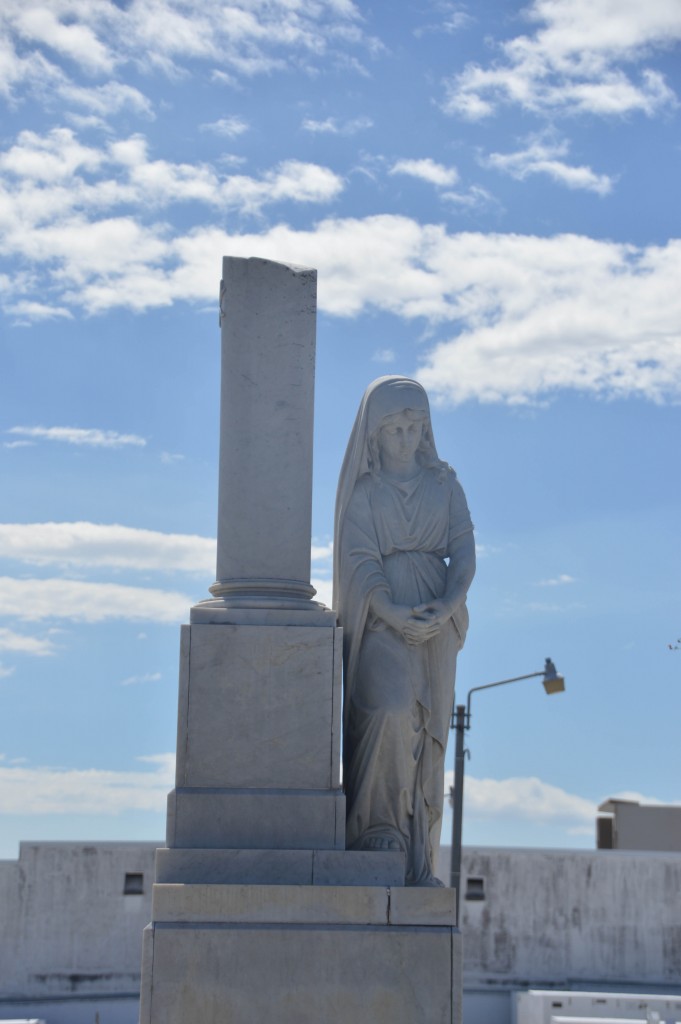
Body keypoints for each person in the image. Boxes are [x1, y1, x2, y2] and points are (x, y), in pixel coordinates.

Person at [333, 376, 475, 886]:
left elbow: (463, 552)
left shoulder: (445, 486)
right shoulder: (365, 495)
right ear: (375, 435)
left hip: (437, 624)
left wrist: (447, 604)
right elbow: (359, 564)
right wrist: (391, 613)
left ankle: (418, 851)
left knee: (429, 729)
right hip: (382, 620)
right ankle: (377, 827)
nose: (406, 437)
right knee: (391, 709)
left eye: (415, 426)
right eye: (394, 428)